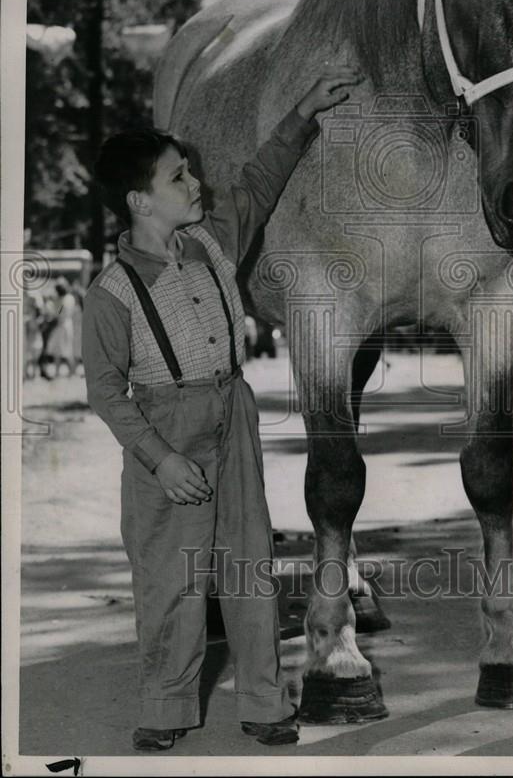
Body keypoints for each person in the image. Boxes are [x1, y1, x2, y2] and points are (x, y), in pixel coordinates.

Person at [82, 64, 361, 753]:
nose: (194, 183)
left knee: (248, 564)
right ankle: (166, 705)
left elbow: (262, 179)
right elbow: (104, 391)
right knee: (169, 575)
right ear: (140, 202)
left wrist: (303, 108)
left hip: (231, 411)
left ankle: (265, 701)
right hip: (163, 427)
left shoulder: (212, 239)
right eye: (178, 177)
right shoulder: (111, 292)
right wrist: (159, 456)